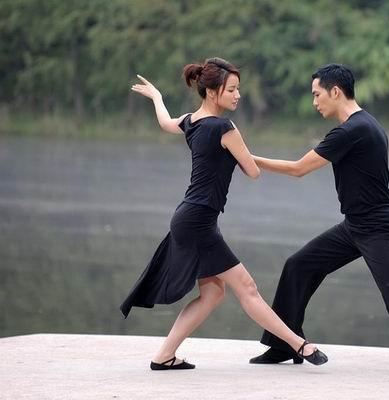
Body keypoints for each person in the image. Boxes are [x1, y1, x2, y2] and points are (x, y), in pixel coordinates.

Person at [249, 63, 389, 377]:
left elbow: (298, 169)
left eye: (317, 94)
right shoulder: (365, 123)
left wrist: (245, 157)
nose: (314, 102)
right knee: (299, 265)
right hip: (355, 224)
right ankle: (284, 345)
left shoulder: (352, 130)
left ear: (335, 91)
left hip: (378, 225)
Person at [119, 57, 327, 370]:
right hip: (198, 221)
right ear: (212, 92)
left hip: (192, 218)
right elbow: (253, 172)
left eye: (238, 89)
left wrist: (157, 97)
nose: (237, 95)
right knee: (247, 287)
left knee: (214, 293)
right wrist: (238, 152)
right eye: (231, 90)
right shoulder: (224, 127)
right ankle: (300, 344)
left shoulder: (191, 121)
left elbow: (165, 123)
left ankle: (164, 356)